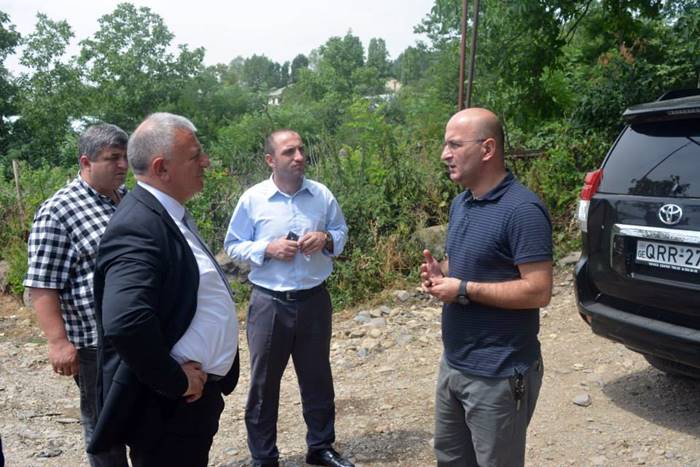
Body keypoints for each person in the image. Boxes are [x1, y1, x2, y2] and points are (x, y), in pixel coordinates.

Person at [88, 113, 239, 467]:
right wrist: (175, 381)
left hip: (188, 402)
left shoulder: (165, 214)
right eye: (195, 156)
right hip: (168, 408)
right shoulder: (139, 225)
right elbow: (125, 321)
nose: (206, 162)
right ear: (162, 168)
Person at [420, 108, 553, 467]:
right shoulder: (461, 203)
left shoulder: (523, 210)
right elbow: (474, 265)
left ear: (488, 149)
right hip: (454, 363)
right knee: (450, 459)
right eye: (445, 145)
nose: (444, 154)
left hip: (499, 373)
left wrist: (464, 289)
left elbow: (539, 290)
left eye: (454, 145)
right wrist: (443, 272)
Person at [224, 129, 352, 467]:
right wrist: (267, 248)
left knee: (317, 377)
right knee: (264, 383)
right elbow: (232, 245)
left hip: (314, 300)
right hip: (269, 303)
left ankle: (320, 447)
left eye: (301, 150)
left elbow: (341, 232)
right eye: (289, 152)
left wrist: (326, 239)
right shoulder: (253, 199)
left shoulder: (321, 195)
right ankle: (264, 456)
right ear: (270, 160)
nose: (299, 157)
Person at [24, 123, 129, 467]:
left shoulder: (126, 198)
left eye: (125, 157)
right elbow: (42, 283)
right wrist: (58, 342)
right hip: (95, 345)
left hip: (136, 335)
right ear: (86, 162)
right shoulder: (58, 211)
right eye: (113, 158)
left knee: (140, 419)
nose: (122, 165)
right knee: (104, 429)